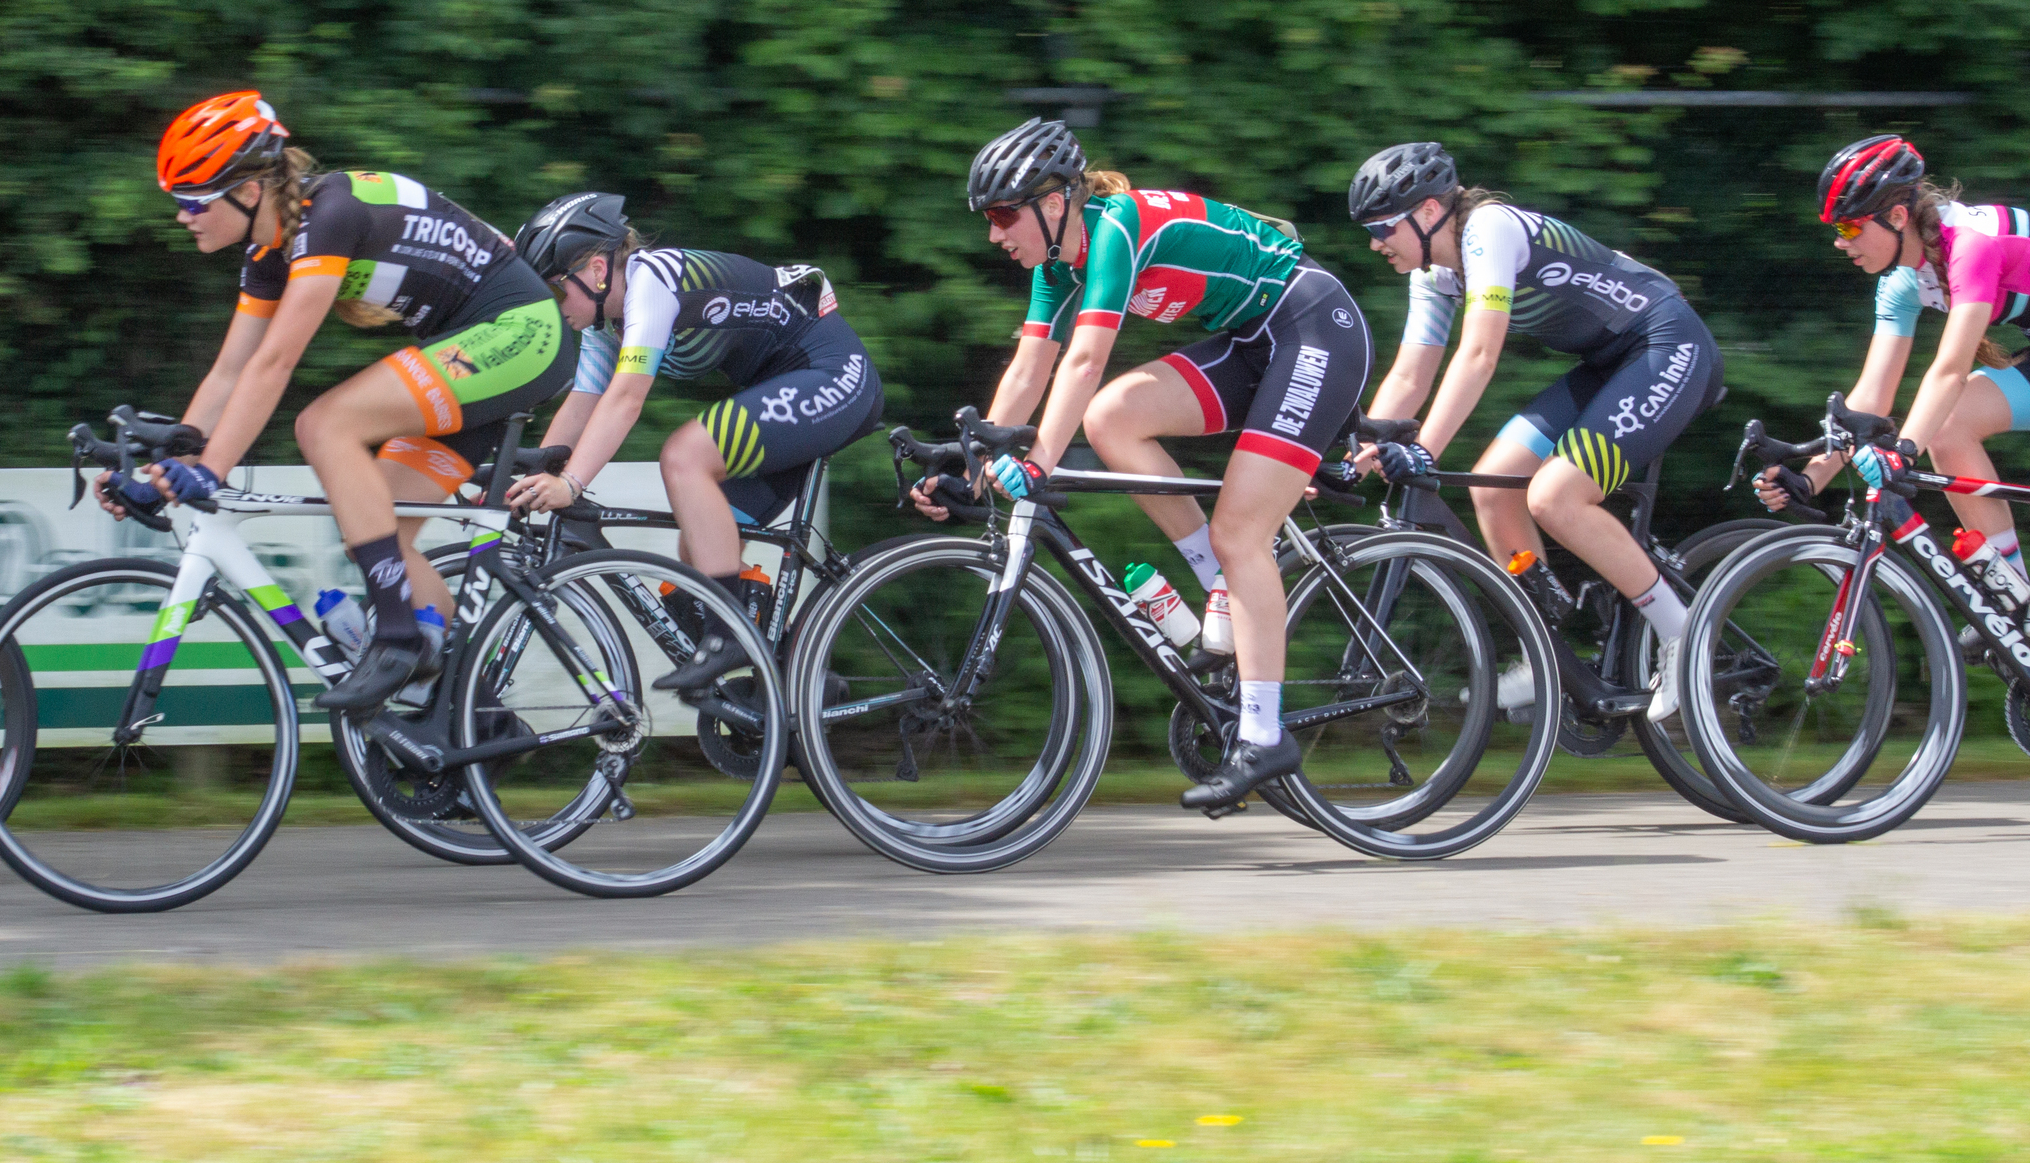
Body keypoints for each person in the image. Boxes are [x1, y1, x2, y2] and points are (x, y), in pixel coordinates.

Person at [925, 117, 1373, 809]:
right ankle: (1217, 582)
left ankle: (1262, 735)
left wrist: (1040, 462)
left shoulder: (1112, 229)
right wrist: (973, 462)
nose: (993, 233)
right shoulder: (1055, 265)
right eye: (988, 218)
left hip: (1312, 327)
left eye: (1003, 214)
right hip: (1253, 342)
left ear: (1054, 203)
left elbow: (1086, 358)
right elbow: (1028, 369)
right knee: (1112, 418)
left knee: (1240, 531)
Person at [119, 92, 576, 711]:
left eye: (192, 201)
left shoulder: (327, 216)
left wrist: (209, 471)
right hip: (475, 359)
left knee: (325, 424)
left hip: (520, 335)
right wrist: (169, 463)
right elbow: (229, 370)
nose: (182, 217)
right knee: (380, 531)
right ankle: (478, 721)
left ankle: (395, 639)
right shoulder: (269, 254)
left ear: (248, 191)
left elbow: (274, 364)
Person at [1347, 142, 1724, 723]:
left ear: (1427, 213)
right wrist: (1357, 454)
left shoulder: (1489, 230)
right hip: (1608, 363)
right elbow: (1410, 373)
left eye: (1381, 226)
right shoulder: (1434, 274)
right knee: (1494, 489)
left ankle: (1682, 637)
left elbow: (1478, 355)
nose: (1375, 242)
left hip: (1665, 344)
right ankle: (1543, 649)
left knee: (1554, 496)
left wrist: (1422, 451)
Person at [502, 193, 883, 691]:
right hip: (788, 389)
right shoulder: (605, 324)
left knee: (684, 456)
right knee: (698, 558)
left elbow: (626, 398)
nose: (556, 308)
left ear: (596, 270)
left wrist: (571, 484)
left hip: (832, 374)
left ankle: (728, 637)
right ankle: (795, 674)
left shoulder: (651, 282)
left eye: (556, 292)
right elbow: (585, 402)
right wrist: (536, 478)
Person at [1757, 135, 2030, 635]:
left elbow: (1950, 370)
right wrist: (1809, 479)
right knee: (1948, 427)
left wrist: (1903, 451)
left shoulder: (1971, 247)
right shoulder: (1903, 281)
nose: (1839, 242)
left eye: (1849, 226)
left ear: (1894, 217)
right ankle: (2013, 596)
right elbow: (1870, 402)